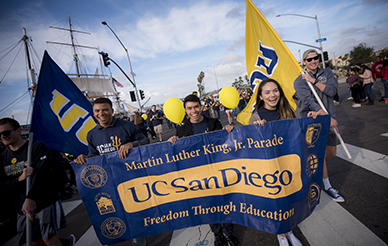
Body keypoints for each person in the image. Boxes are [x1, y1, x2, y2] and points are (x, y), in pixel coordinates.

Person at [74, 98, 149, 246]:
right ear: (93, 113)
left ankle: (140, 241)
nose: (101, 113)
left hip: (132, 178)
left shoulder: (127, 126)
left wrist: (131, 144)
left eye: (105, 109)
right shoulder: (91, 134)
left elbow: (146, 142)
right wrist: (84, 158)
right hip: (109, 183)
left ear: (112, 111)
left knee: (136, 213)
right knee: (115, 212)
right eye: (97, 111)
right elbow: (94, 157)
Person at [168, 94, 238, 246]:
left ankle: (229, 233)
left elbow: (225, 143)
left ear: (201, 106)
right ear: (185, 110)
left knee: (225, 204)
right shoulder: (182, 130)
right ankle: (217, 234)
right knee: (209, 207)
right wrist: (171, 142)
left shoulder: (213, 122)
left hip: (218, 172)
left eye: (196, 107)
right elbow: (179, 154)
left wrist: (228, 130)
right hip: (199, 177)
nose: (194, 111)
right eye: (190, 108)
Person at [0, 117, 75, 246]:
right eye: (0, 134)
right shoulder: (3, 158)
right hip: (22, 207)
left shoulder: (36, 147)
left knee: (49, 239)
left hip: (44, 202)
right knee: (35, 242)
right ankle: (66, 243)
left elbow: (43, 174)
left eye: (6, 132)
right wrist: (19, 179)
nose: (3, 136)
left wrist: (31, 198)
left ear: (18, 130)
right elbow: (3, 185)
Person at [249, 78, 303, 246]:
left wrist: (312, 118)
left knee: (288, 200)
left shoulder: (288, 110)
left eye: (275, 90)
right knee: (276, 202)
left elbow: (298, 133)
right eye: (267, 92)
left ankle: (289, 230)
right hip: (269, 169)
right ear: (261, 96)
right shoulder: (256, 116)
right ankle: (281, 234)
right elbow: (251, 146)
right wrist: (257, 129)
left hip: (288, 164)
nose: (272, 95)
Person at [294, 49, 345, 203]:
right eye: (309, 60)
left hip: (329, 118)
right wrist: (326, 117)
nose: (313, 61)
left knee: (332, 152)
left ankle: (313, 169)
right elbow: (309, 101)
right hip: (311, 121)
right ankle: (328, 186)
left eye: (315, 58)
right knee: (320, 154)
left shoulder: (327, 72)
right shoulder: (299, 81)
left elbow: (332, 91)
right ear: (304, 62)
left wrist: (314, 81)